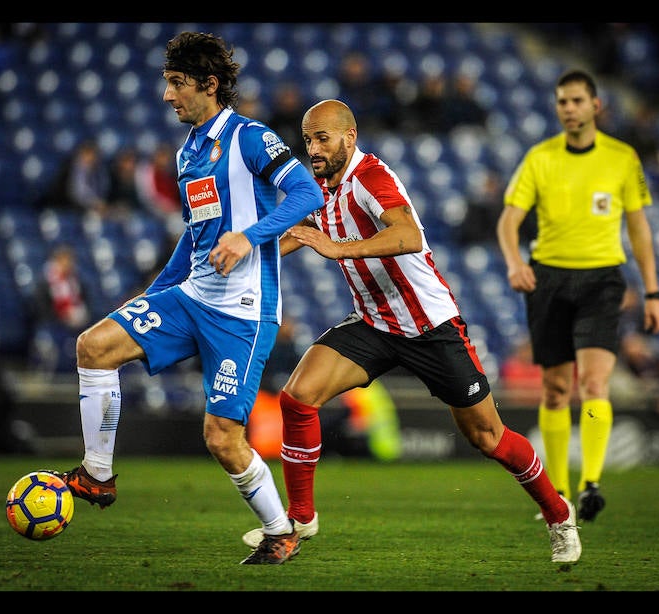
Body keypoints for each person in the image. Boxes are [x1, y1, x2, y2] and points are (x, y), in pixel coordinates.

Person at [241, 99, 581, 564]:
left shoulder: (371, 178)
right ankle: (301, 519)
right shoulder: (320, 186)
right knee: (297, 398)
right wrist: (251, 258)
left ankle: (559, 514)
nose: (313, 148)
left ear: (349, 137)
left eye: (322, 138)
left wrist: (340, 250)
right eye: (307, 140)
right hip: (374, 323)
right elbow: (301, 230)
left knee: (488, 437)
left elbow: (408, 236)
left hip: (429, 325)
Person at [50, 31, 324, 565]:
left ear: (209, 85)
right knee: (94, 345)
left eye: (176, 83)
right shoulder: (188, 153)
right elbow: (194, 235)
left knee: (221, 437)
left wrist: (249, 237)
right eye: (167, 83)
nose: (167, 95)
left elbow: (307, 194)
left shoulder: (249, 137)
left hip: (242, 313)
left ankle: (279, 531)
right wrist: (153, 295)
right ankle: (97, 475)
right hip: (191, 297)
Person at [496, 69, 659, 522]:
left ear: (595, 105)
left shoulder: (622, 158)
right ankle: (560, 495)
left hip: (601, 280)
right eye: (561, 102)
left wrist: (653, 291)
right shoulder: (540, 158)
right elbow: (508, 221)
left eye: (576, 100)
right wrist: (515, 263)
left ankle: (591, 483)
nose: (568, 108)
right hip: (548, 278)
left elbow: (639, 228)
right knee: (554, 390)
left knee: (593, 383)